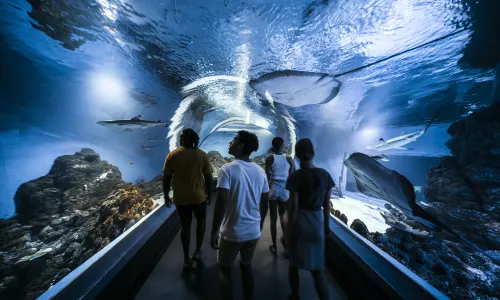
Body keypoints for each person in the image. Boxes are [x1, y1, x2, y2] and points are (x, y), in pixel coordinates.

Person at [210, 130, 269, 300]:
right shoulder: (260, 171)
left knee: (224, 269)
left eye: (234, 140)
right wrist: (260, 223)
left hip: (232, 232)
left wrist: (214, 230)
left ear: (241, 145)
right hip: (253, 232)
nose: (230, 143)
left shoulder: (227, 169)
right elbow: (264, 200)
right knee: (246, 267)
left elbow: (221, 202)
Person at [285, 138, 333, 300]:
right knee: (318, 272)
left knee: (293, 265)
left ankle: (295, 296)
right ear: (313, 153)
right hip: (317, 222)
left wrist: (287, 233)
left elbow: (293, 208)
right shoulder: (326, 176)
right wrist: (326, 227)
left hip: (301, 222)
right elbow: (327, 206)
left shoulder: (295, 177)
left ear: (297, 156)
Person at [162, 128, 213, 269]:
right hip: (198, 197)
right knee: (201, 222)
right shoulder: (202, 155)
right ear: (196, 140)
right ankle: (197, 251)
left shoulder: (172, 155)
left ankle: (186, 258)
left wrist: (166, 196)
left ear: (181, 139)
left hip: (181, 198)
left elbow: (166, 178)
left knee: (185, 226)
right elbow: (208, 176)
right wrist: (209, 194)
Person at [260, 137, 294, 255]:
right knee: (283, 216)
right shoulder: (289, 158)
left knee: (273, 219)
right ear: (283, 145)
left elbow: (267, 176)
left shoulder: (270, 158)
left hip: (273, 188)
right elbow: (291, 175)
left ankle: (274, 246)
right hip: (285, 189)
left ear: (273, 146)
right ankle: (287, 247)